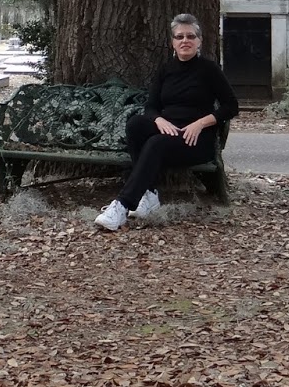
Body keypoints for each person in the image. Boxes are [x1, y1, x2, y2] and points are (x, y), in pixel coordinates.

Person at [95, 13, 239, 231]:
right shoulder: (166, 70)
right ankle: (149, 194)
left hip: (196, 140)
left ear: (199, 41)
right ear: (172, 42)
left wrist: (200, 123)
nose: (185, 41)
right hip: (169, 132)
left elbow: (231, 106)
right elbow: (151, 106)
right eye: (179, 36)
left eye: (190, 36)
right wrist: (159, 120)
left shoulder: (209, 70)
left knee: (155, 143)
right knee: (136, 125)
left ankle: (122, 206)